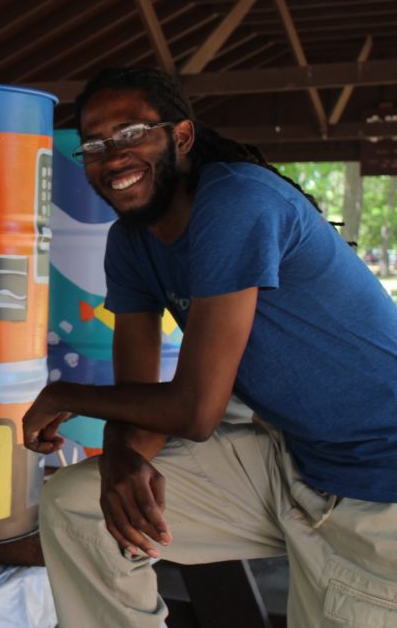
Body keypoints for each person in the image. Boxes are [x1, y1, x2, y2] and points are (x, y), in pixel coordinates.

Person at [22, 67, 397, 627]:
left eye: (132, 134)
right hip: (294, 461)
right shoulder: (131, 242)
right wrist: (122, 454)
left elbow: (196, 411)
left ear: (182, 136)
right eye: (95, 145)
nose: (113, 157)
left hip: (377, 487)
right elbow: (139, 397)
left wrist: (62, 394)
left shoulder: (236, 200)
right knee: (81, 506)